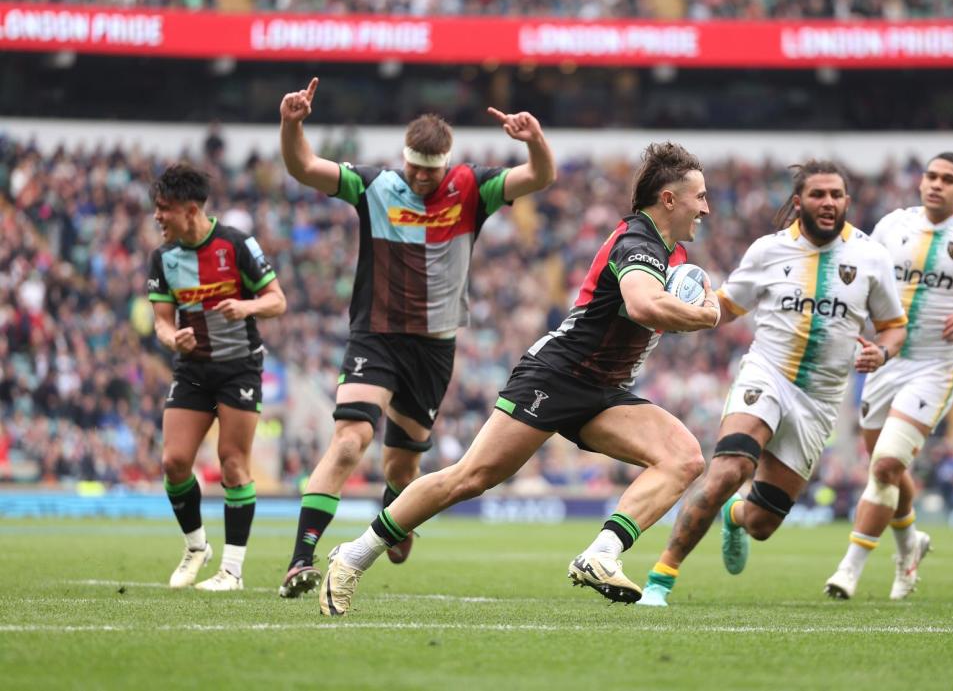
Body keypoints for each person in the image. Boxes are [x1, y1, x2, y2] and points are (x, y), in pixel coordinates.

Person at [317, 142, 720, 616]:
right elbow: (643, 305)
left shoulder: (669, 254)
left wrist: (706, 308)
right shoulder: (638, 242)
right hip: (555, 375)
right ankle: (353, 555)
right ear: (669, 200)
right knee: (469, 478)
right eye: (700, 196)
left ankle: (602, 554)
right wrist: (705, 315)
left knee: (685, 457)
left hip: (601, 390)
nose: (707, 208)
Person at [275, 77, 557, 598]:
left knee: (401, 466)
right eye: (414, 168)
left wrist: (534, 140)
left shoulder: (473, 188)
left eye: (431, 171)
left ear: (446, 164)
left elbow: (540, 176)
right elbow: (303, 167)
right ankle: (300, 558)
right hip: (376, 337)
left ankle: (397, 512)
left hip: (433, 348)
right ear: (403, 159)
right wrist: (292, 124)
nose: (421, 179)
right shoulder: (375, 185)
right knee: (349, 440)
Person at [637, 161, 908, 607]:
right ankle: (660, 579)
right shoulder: (768, 251)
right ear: (798, 201)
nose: (828, 202)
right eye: (818, 194)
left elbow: (894, 327)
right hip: (767, 373)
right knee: (730, 469)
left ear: (847, 201)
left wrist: (883, 351)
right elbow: (725, 305)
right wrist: (673, 314)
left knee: (762, 524)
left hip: (820, 400)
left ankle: (736, 514)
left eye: (836, 194)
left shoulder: (870, 257)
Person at [825, 152, 953, 600]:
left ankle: (850, 568)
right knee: (887, 468)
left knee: (884, 466)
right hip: (884, 359)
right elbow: (865, 280)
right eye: (930, 176)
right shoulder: (891, 225)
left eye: (948, 179)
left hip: (936, 365)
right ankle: (910, 545)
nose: (936, 185)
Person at [147, 163, 287, 590]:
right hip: (192, 369)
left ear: (191, 210)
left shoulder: (237, 245)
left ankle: (232, 571)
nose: (157, 217)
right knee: (173, 462)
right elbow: (160, 322)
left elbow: (277, 301)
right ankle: (196, 547)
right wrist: (173, 340)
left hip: (239, 366)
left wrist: (246, 307)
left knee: (231, 462)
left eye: (163, 209)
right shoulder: (164, 258)